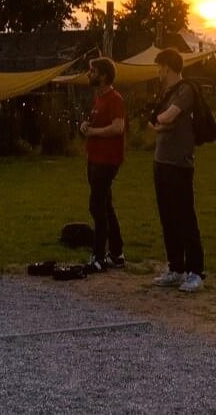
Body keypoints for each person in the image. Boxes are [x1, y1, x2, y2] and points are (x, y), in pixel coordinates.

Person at [148, 48, 205, 292]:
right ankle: (175, 267)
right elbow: (157, 122)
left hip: (179, 163)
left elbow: (168, 117)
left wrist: (161, 120)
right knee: (167, 217)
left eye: (160, 66)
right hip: (161, 161)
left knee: (184, 217)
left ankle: (195, 271)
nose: (158, 71)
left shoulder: (185, 90)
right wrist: (161, 121)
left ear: (169, 67)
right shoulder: (168, 92)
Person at [79, 58, 126, 273]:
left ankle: (98, 256)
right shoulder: (98, 99)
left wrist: (94, 132)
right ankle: (116, 253)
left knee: (96, 205)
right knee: (105, 205)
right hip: (94, 157)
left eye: (93, 71)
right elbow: (98, 124)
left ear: (104, 75)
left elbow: (118, 128)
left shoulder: (114, 99)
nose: (89, 74)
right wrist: (85, 126)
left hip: (107, 160)